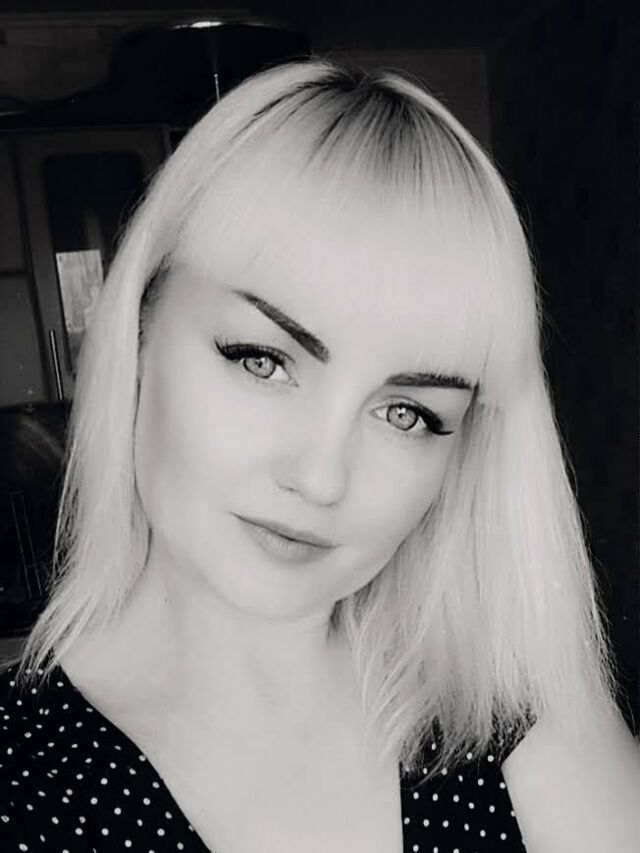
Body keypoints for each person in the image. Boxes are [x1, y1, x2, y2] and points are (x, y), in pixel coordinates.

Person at [1, 58, 639, 853]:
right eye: (263, 361)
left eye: (406, 413)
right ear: (139, 331)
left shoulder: (514, 728)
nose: (321, 477)